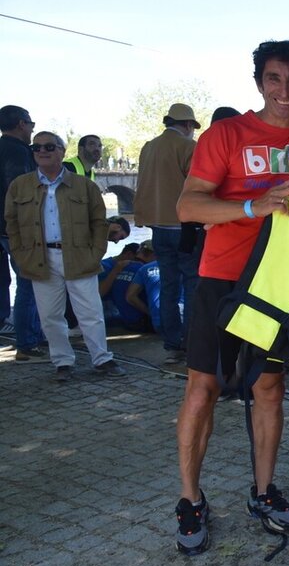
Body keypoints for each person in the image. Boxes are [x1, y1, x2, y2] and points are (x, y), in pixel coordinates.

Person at [172, 39, 289, 555]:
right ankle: (190, 499)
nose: (285, 90)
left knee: (269, 389)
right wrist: (251, 207)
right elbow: (187, 207)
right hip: (221, 279)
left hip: (277, 283)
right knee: (202, 390)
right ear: (260, 83)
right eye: (274, 78)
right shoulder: (226, 134)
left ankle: (263, 491)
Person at [3, 131, 126, 382]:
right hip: (40, 257)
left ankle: (101, 358)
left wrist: (95, 254)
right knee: (50, 315)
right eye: (36, 147)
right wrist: (20, 254)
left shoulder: (84, 185)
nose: (42, 151)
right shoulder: (20, 185)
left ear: (61, 151)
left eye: (49, 146)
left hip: (79, 255)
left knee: (90, 312)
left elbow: (98, 222)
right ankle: (62, 362)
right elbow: (11, 224)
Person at [134, 103, 202, 366]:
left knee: (168, 286)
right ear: (187, 125)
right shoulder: (188, 147)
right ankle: (191, 343)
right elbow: (198, 185)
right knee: (192, 285)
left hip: (158, 227)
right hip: (184, 226)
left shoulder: (149, 147)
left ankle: (172, 344)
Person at [0, 104, 45, 360]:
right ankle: (28, 342)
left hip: (2, 228)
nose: (31, 131)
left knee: (5, 282)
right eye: (31, 125)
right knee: (29, 281)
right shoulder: (18, 152)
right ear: (21, 124)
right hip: (15, 228)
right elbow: (20, 191)